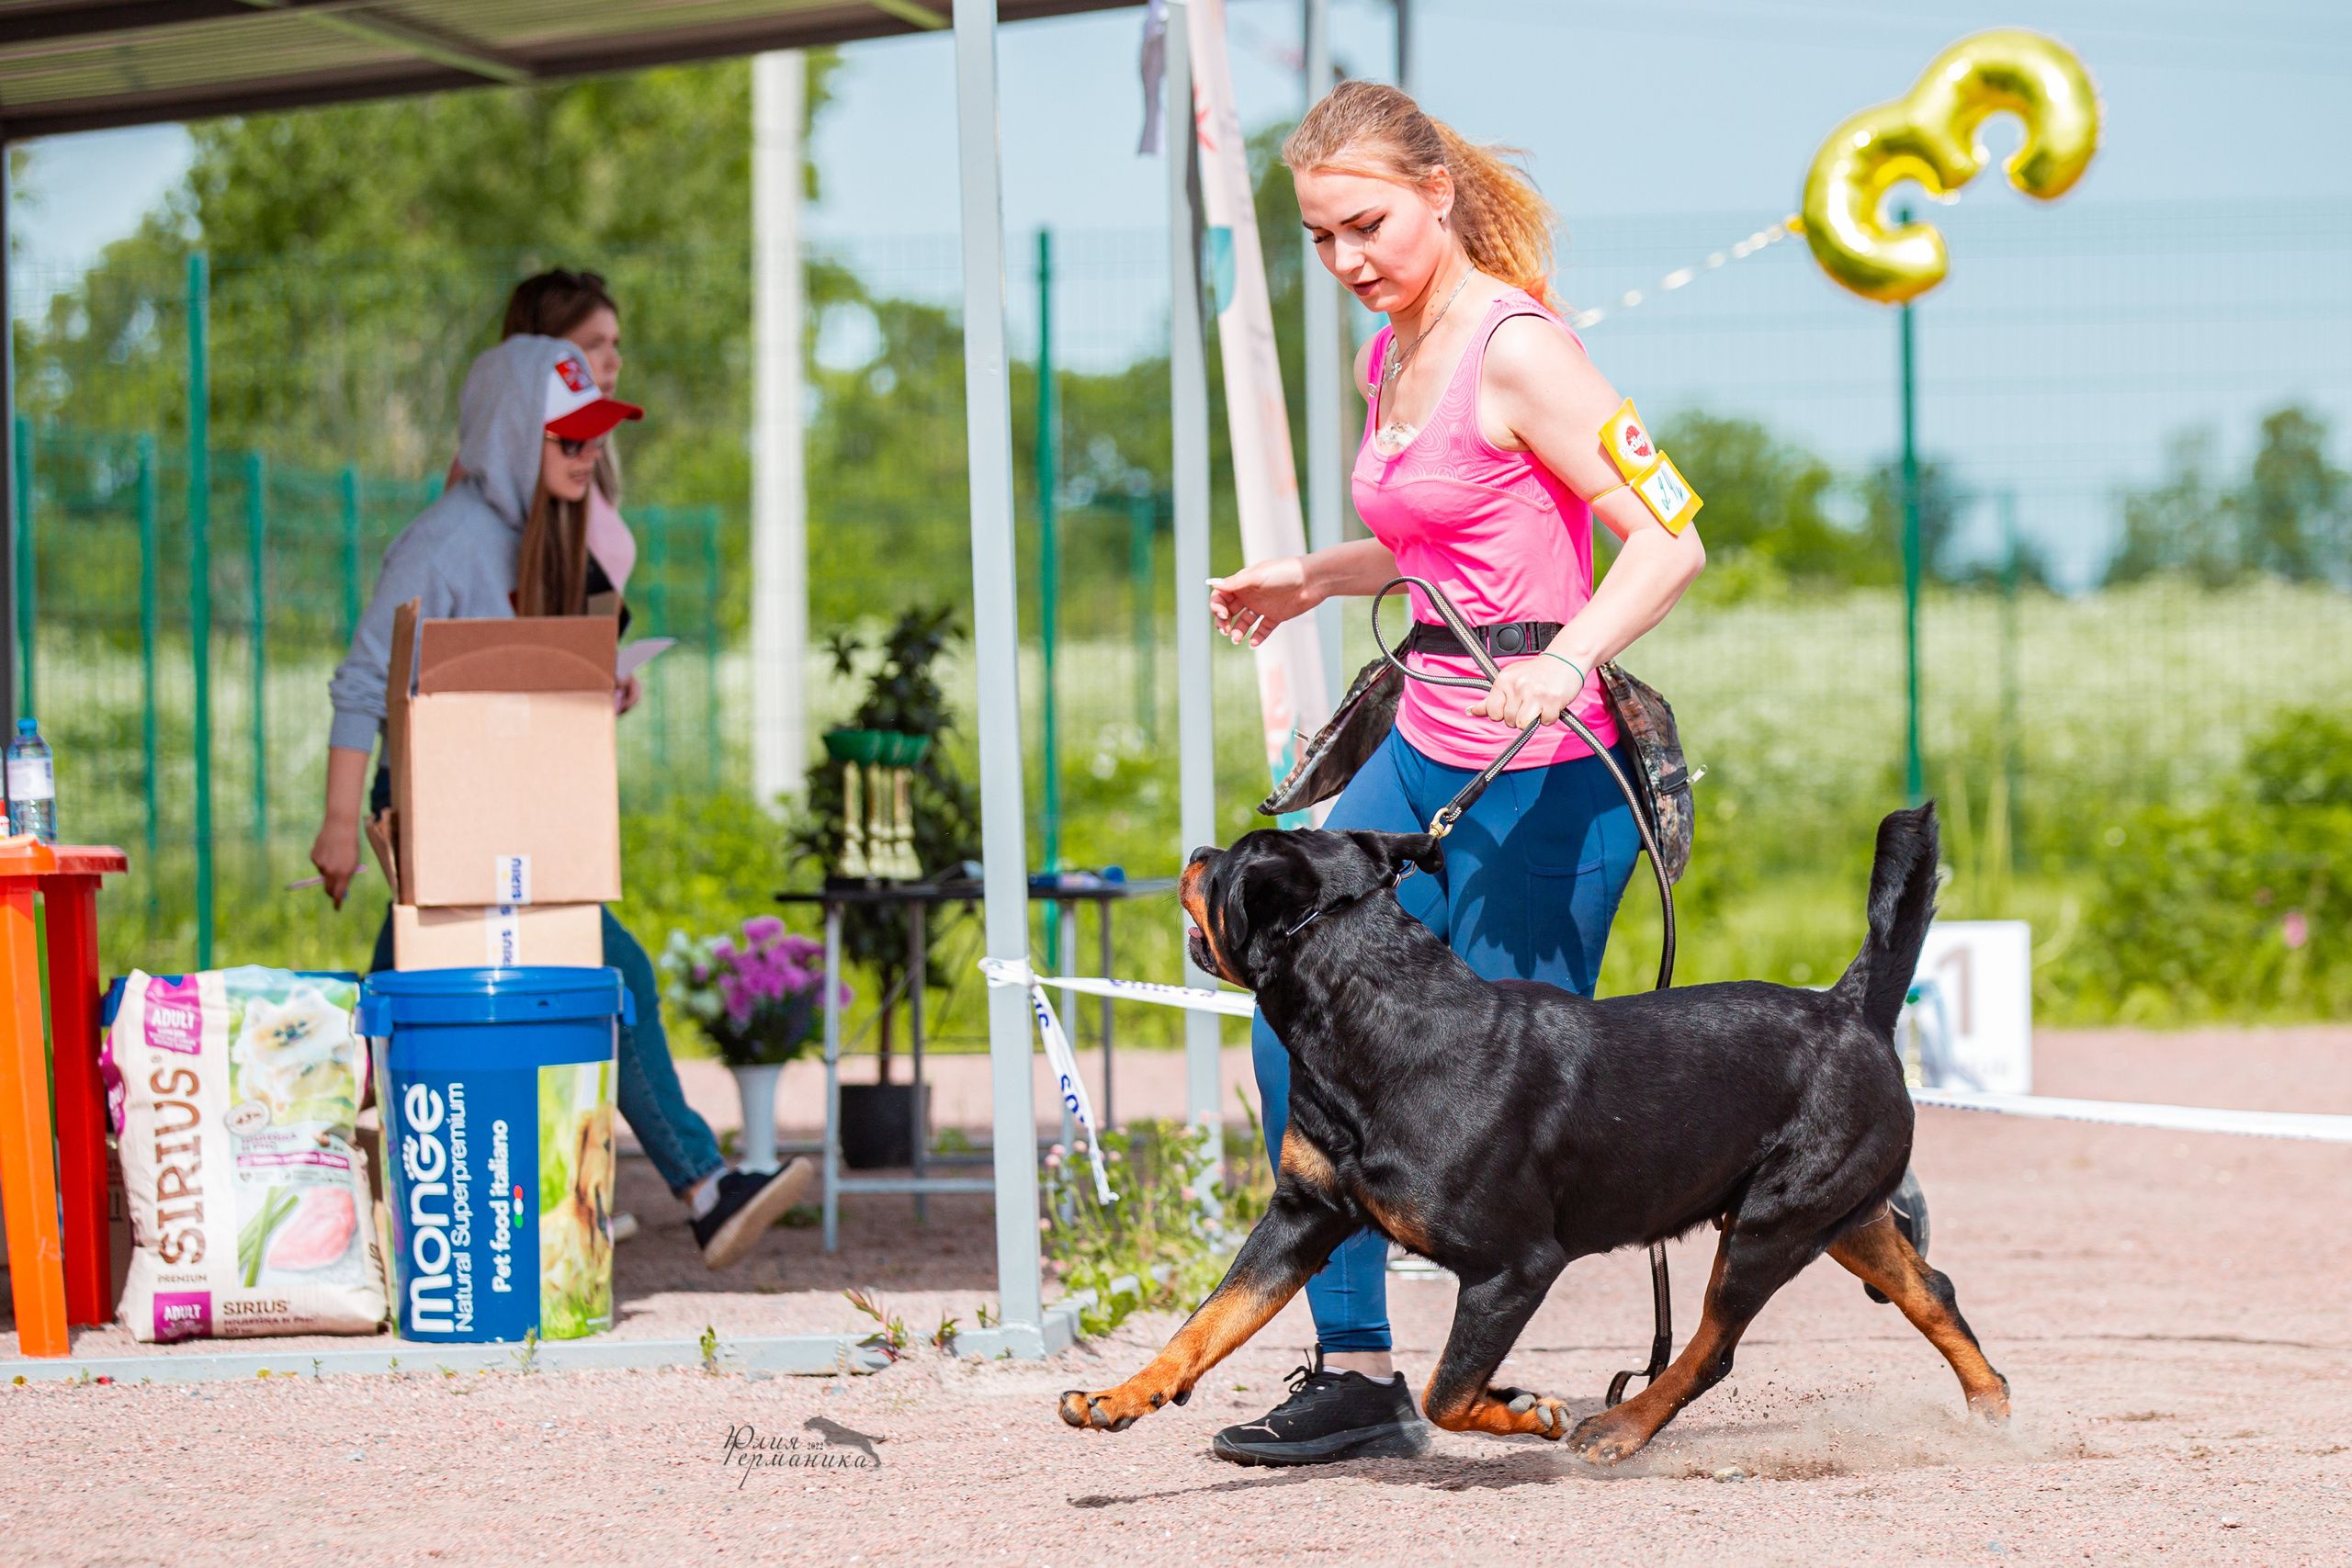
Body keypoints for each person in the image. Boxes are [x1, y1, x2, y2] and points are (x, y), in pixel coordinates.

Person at [1202, 82, 1708, 1466]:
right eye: (1319, 238)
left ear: (1435, 191)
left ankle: (1847, 1171)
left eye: (1365, 224)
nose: (1348, 259)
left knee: (1529, 1101)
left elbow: (1668, 540)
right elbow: (1433, 534)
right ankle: (1357, 1369)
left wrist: (1569, 653)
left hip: (1546, 775)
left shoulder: (1521, 346)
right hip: (1418, 746)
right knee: (1288, 1012)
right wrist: (1311, 576)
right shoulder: (1393, 351)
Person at [310, 332, 815, 1269]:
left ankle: (329, 1177)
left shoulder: (542, 536)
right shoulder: (448, 540)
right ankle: (704, 1188)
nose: (587, 458)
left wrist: (600, 681)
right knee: (605, 966)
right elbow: (363, 678)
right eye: (566, 441)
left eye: (593, 442)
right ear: (509, 436)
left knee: (408, 1002)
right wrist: (343, 823)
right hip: (443, 803)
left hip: (500, 797)